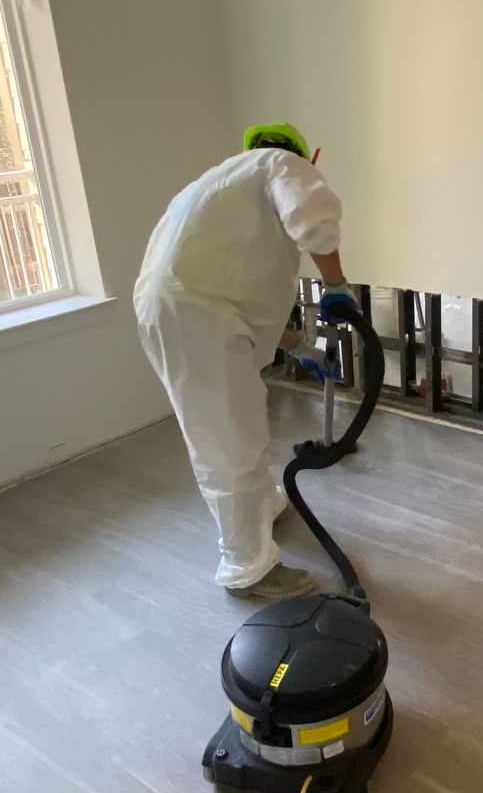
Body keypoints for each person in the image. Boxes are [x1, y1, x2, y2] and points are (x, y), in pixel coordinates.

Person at [135, 123, 354, 599]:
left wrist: (297, 345)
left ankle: (261, 508)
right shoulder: (281, 164)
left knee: (233, 424)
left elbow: (236, 289)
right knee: (228, 441)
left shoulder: (216, 184)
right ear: (306, 159)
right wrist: (336, 284)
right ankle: (247, 567)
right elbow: (314, 219)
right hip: (197, 319)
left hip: (178, 312)